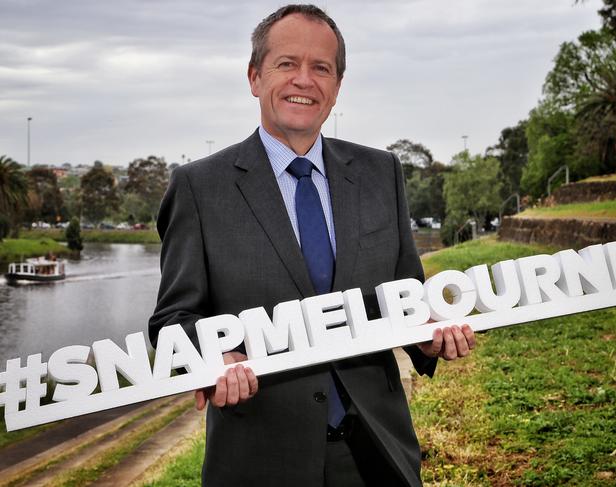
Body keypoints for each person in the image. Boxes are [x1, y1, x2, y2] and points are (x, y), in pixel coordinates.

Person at [149, 4, 476, 486]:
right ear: (255, 76)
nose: (305, 79)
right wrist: (210, 358)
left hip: (377, 454)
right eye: (286, 64)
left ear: (337, 87)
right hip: (260, 459)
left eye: (321, 67)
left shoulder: (381, 173)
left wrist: (428, 334)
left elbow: (407, 296)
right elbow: (172, 322)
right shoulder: (200, 188)